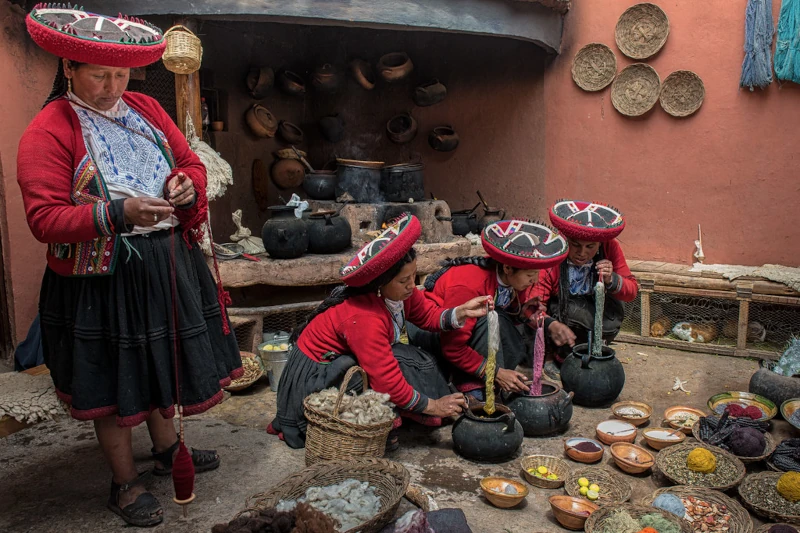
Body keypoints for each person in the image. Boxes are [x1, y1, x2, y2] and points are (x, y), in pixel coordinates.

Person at [17, 7, 242, 527]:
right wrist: (118, 213)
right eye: (99, 74)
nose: (111, 87)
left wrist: (187, 187)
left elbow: (188, 163)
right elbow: (45, 218)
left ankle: (165, 451)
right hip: (102, 278)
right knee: (117, 383)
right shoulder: (50, 129)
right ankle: (124, 482)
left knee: (161, 359)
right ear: (69, 68)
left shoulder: (144, 109)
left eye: (120, 75)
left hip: (165, 262)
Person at [269, 214, 493, 449]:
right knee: (393, 364)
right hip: (316, 378)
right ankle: (378, 425)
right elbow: (387, 380)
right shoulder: (364, 317)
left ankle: (407, 412)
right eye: (404, 280)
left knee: (411, 357)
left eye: (413, 276)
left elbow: (427, 315)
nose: (411, 285)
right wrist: (434, 405)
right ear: (380, 284)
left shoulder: (399, 295)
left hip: (340, 363)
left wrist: (461, 312)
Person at [420, 220, 571, 399]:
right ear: (507, 268)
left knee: (507, 326)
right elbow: (452, 347)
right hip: (435, 334)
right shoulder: (469, 286)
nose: (535, 280)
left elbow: (517, 309)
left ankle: (491, 382)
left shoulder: (513, 281)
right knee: (492, 319)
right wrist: (497, 372)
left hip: (467, 335)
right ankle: (472, 385)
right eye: (530, 275)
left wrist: (537, 319)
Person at [533, 200, 638, 379]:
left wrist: (611, 279)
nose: (582, 253)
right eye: (575, 245)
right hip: (560, 312)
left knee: (612, 313)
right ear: (566, 240)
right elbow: (533, 305)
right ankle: (552, 356)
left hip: (590, 311)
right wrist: (551, 324)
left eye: (590, 247)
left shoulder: (610, 246)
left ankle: (588, 350)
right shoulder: (554, 251)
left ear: (600, 244)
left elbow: (631, 291)